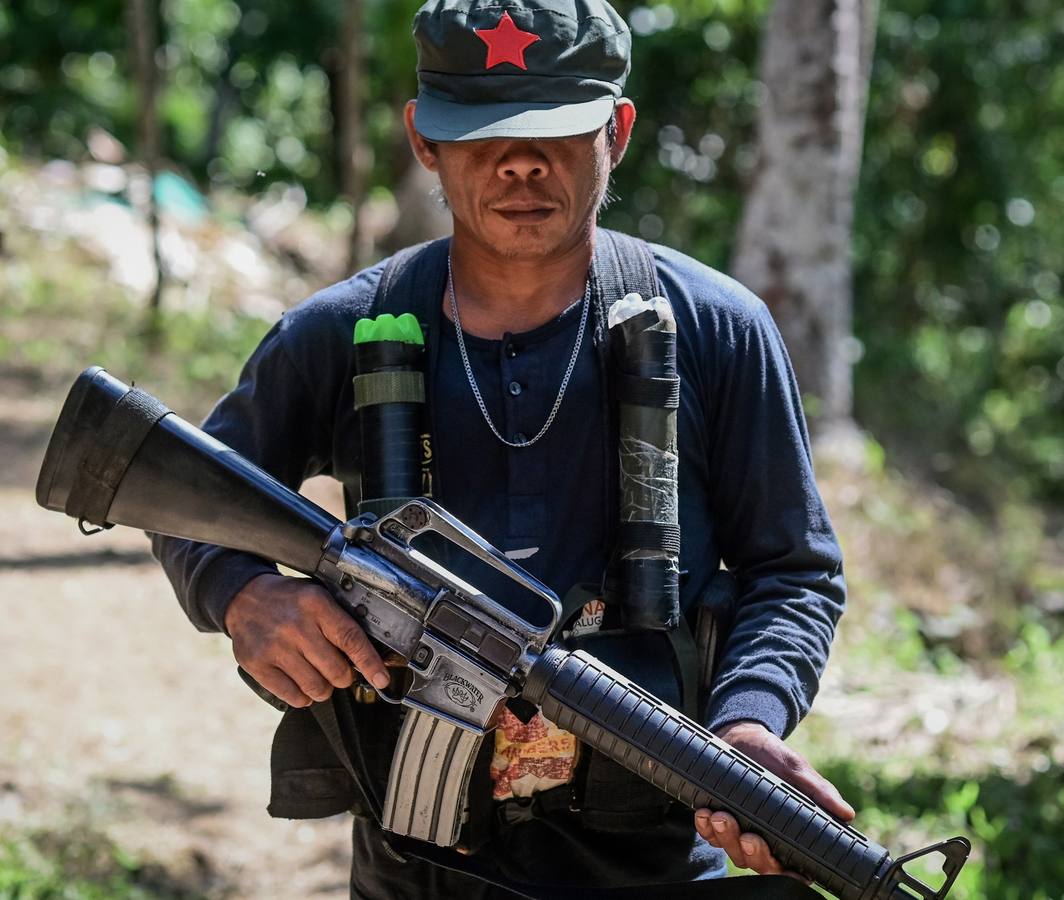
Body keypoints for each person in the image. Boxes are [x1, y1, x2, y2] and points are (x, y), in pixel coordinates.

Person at [153, 1, 853, 896]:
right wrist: (240, 593)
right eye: (483, 134)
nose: (521, 162)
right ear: (423, 141)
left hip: (658, 853)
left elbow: (794, 571)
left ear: (618, 131)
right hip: (415, 863)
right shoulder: (341, 333)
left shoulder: (715, 331)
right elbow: (183, 496)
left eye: (557, 132)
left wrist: (748, 727)